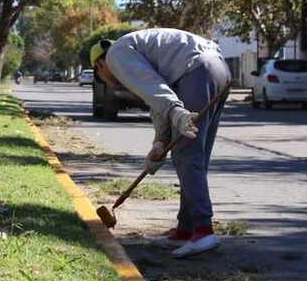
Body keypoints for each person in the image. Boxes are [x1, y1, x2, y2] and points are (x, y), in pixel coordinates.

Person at [90, 28, 231, 258]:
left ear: (99, 66)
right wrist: (160, 142)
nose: (110, 82)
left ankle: (204, 230)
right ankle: (187, 229)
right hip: (218, 68)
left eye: (101, 78)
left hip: (197, 71)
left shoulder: (116, 55)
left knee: (187, 153)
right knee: (196, 155)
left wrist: (177, 113)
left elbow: (155, 90)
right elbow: (157, 96)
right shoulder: (138, 49)